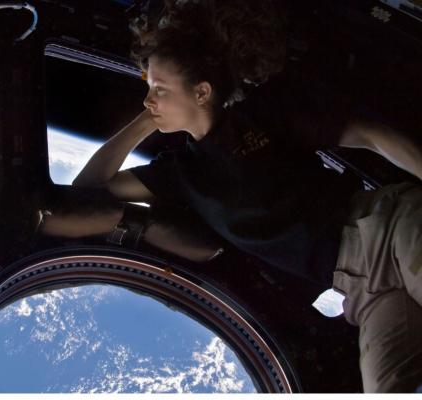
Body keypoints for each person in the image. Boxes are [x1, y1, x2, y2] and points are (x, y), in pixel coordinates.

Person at [40, 0, 422, 392]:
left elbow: (371, 135)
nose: (149, 100)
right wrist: (141, 125)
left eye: (160, 89)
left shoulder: (262, 115)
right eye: (148, 89)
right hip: (361, 288)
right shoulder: (182, 174)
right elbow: (85, 192)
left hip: (388, 229)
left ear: (202, 92)